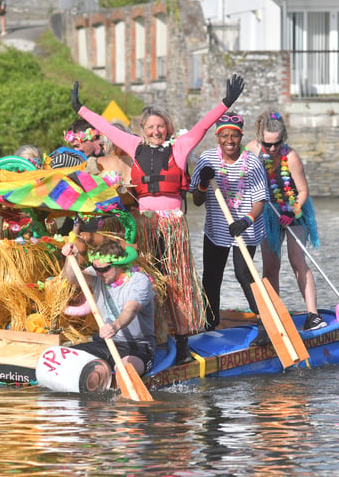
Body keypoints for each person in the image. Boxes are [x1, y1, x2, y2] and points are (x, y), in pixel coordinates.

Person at [70, 74, 245, 364]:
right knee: (150, 278)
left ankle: (182, 340)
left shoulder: (180, 146)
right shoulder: (134, 146)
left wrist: (225, 103)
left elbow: (202, 126)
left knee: (176, 281)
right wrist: (81, 109)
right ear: (143, 130)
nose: (155, 131)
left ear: (168, 129)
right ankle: (155, 334)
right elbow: (105, 129)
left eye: (160, 127)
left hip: (172, 225)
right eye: (150, 127)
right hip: (145, 224)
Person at [246, 111, 325, 331]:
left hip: (293, 210)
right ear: (260, 138)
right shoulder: (251, 151)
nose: (272, 149)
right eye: (267, 144)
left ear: (284, 138)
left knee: (296, 259)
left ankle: (313, 315)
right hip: (267, 212)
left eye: (277, 144)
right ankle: (274, 315)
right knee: (271, 266)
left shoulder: (291, 157)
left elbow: (302, 191)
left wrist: (292, 212)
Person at [190, 112, 269, 331]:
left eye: (234, 136)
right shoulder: (206, 159)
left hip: (246, 229)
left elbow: (260, 201)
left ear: (240, 137)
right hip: (216, 229)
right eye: (224, 136)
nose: (229, 141)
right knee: (211, 277)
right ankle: (210, 322)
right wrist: (204, 183)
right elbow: (196, 200)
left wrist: (246, 221)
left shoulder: (252, 162)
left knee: (243, 274)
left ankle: (264, 319)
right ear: (218, 137)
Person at [60, 240, 156, 376]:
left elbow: (131, 309)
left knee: (124, 371)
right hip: (105, 343)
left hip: (136, 347)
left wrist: (115, 326)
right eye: (96, 268)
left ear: (118, 265)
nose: (98, 273)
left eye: (103, 269)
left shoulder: (139, 280)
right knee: (64, 356)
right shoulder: (99, 275)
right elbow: (73, 278)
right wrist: (71, 258)